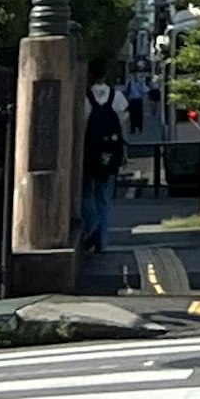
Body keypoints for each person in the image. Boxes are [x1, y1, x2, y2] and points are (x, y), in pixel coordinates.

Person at [80, 77, 126, 267]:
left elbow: (81, 125)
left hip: (89, 152)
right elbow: (123, 124)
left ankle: (93, 224)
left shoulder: (85, 98)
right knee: (104, 196)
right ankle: (102, 241)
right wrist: (123, 151)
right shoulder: (117, 97)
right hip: (109, 153)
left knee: (86, 193)